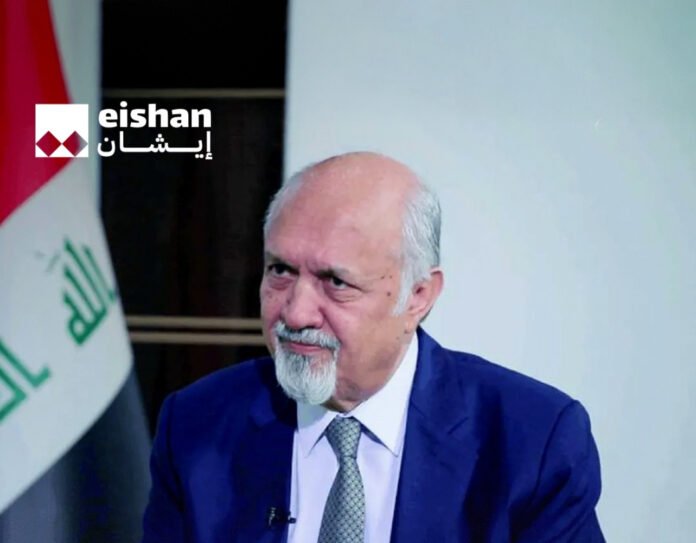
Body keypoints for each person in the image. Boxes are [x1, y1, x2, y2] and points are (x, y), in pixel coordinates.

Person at [142, 152, 604, 542]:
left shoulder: (533, 443)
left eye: (336, 282)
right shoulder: (196, 425)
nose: (296, 314)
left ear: (418, 296)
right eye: (280, 271)